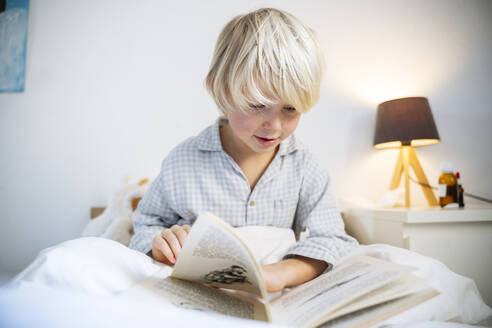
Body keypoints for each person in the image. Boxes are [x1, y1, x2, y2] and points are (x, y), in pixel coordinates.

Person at [129, 7, 358, 292]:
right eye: (257, 105)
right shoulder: (182, 162)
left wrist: (282, 273)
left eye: (291, 109)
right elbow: (144, 228)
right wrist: (161, 244)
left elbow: (333, 239)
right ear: (220, 90)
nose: (274, 126)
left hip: (276, 294)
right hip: (199, 294)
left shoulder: (305, 167)